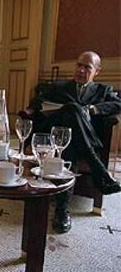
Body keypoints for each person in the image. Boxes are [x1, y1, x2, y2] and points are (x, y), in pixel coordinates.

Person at [27, 51, 121, 234]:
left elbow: (119, 104)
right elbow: (36, 102)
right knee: (72, 109)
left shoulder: (103, 90)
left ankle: (62, 210)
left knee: (70, 142)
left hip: (74, 141)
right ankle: (98, 168)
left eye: (87, 67)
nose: (81, 70)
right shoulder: (59, 86)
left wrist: (93, 109)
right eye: (79, 65)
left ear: (97, 72)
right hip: (54, 133)